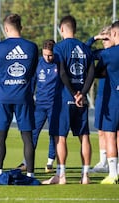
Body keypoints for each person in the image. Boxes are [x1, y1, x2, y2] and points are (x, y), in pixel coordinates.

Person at [0, 13, 38, 184]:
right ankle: (30, 175)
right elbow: (32, 71)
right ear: (20, 27)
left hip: (3, 97)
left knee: (1, 137)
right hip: (24, 96)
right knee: (27, 137)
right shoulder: (32, 47)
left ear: (6, 28)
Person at [42, 15, 95, 185]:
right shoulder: (86, 48)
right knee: (84, 136)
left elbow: (63, 73)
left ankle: (61, 175)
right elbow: (91, 74)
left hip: (65, 97)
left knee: (60, 137)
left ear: (62, 29)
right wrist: (82, 94)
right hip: (82, 99)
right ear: (75, 29)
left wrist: (73, 93)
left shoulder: (59, 48)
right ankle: (85, 175)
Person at [17, 39, 58, 173]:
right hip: (39, 105)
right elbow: (32, 83)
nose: (47, 58)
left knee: (54, 134)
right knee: (32, 134)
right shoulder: (38, 63)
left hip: (55, 105)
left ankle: (50, 162)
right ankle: (25, 162)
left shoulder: (59, 63)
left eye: (50, 55)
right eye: (45, 54)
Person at [86, 26, 115, 173]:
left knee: (114, 132)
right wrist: (94, 38)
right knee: (101, 130)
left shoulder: (115, 54)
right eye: (102, 38)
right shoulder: (102, 54)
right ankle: (103, 162)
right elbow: (85, 50)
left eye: (106, 38)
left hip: (114, 97)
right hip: (101, 96)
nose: (104, 41)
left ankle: (114, 164)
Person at [96, 21, 119, 184]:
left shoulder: (109, 54)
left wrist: (95, 38)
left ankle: (112, 174)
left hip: (114, 100)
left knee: (110, 135)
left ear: (115, 34)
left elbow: (95, 68)